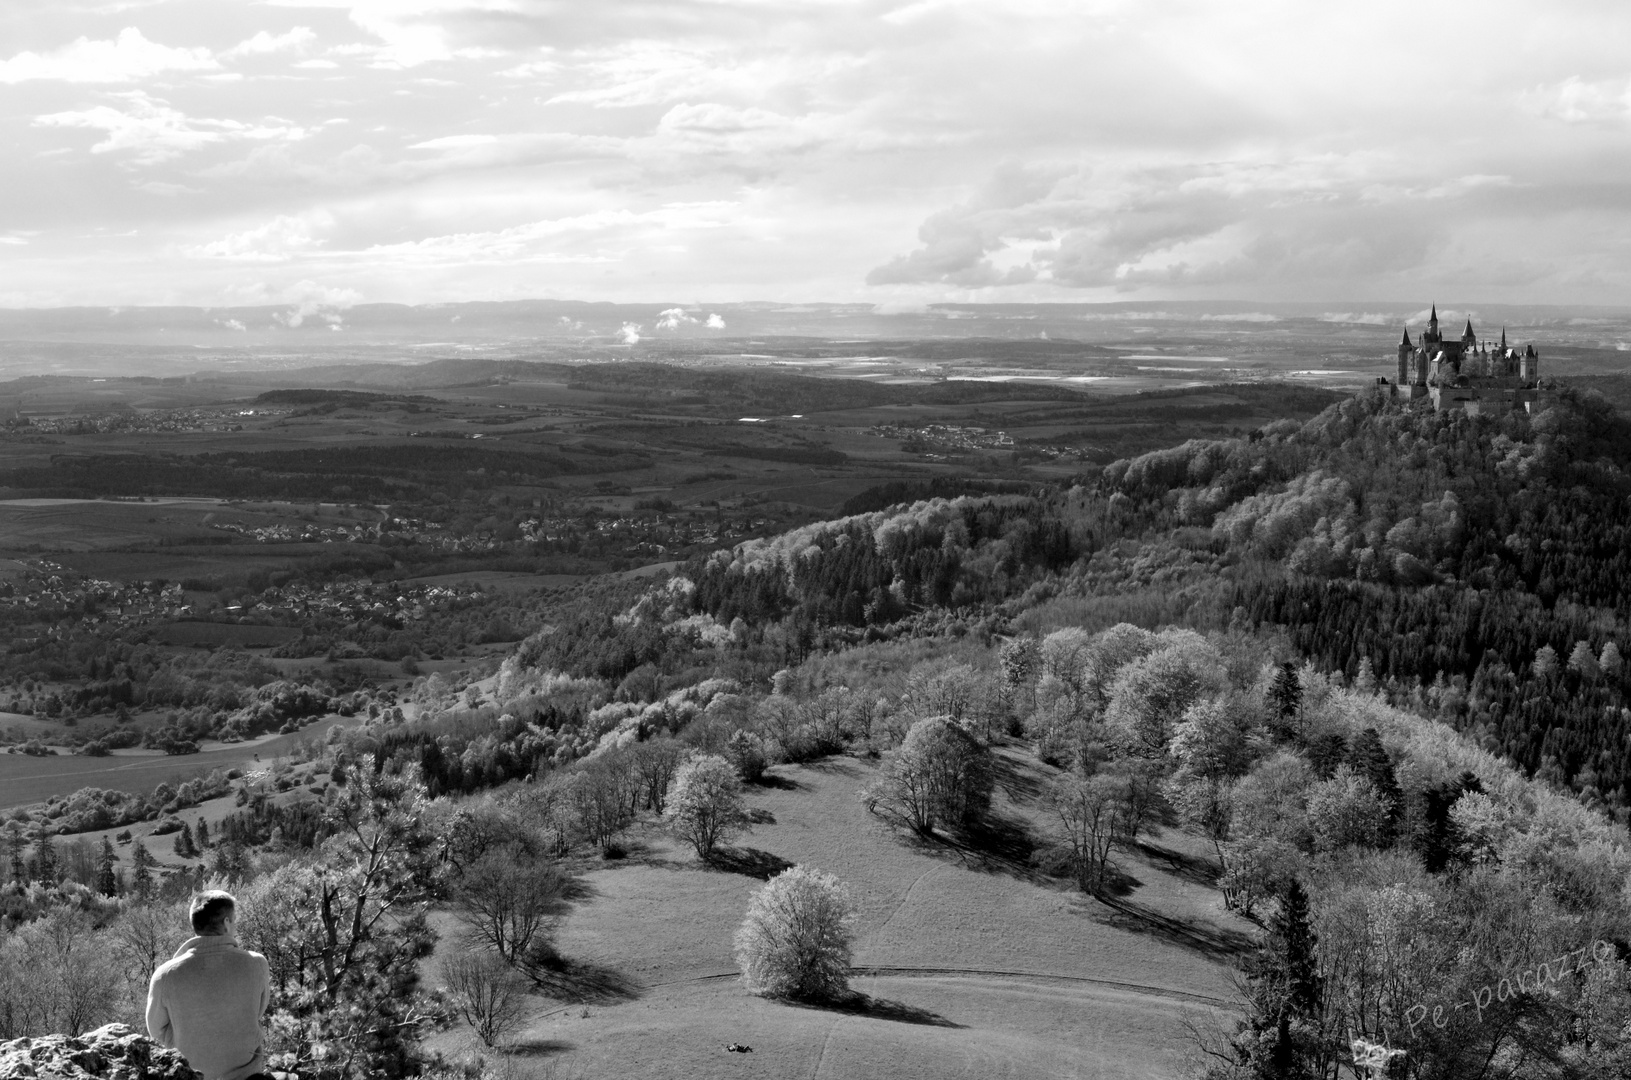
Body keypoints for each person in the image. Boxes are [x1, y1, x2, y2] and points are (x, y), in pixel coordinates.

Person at [146, 890, 272, 1080]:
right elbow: (257, 1012)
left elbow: (155, 1031)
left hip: (189, 1075)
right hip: (248, 1076)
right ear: (226, 922)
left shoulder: (165, 975)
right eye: (234, 919)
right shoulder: (257, 964)